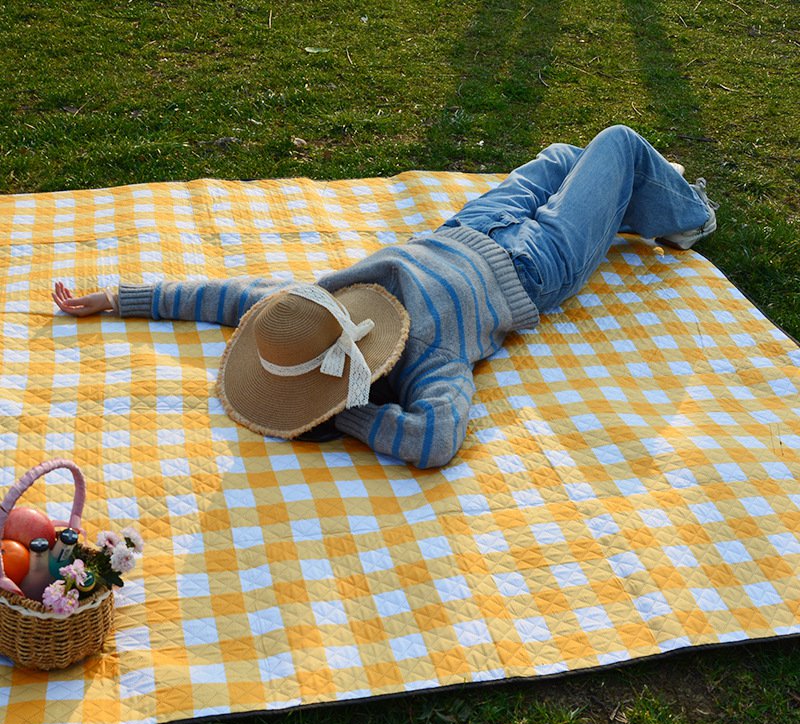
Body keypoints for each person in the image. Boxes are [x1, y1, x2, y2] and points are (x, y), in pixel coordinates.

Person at [52, 125, 718, 469]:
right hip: (535, 264)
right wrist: (347, 416)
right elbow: (436, 439)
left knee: (560, 156)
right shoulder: (428, 361)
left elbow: (228, 298)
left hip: (465, 227)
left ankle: (631, 199)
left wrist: (118, 296)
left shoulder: (313, 313)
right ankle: (686, 214)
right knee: (618, 145)